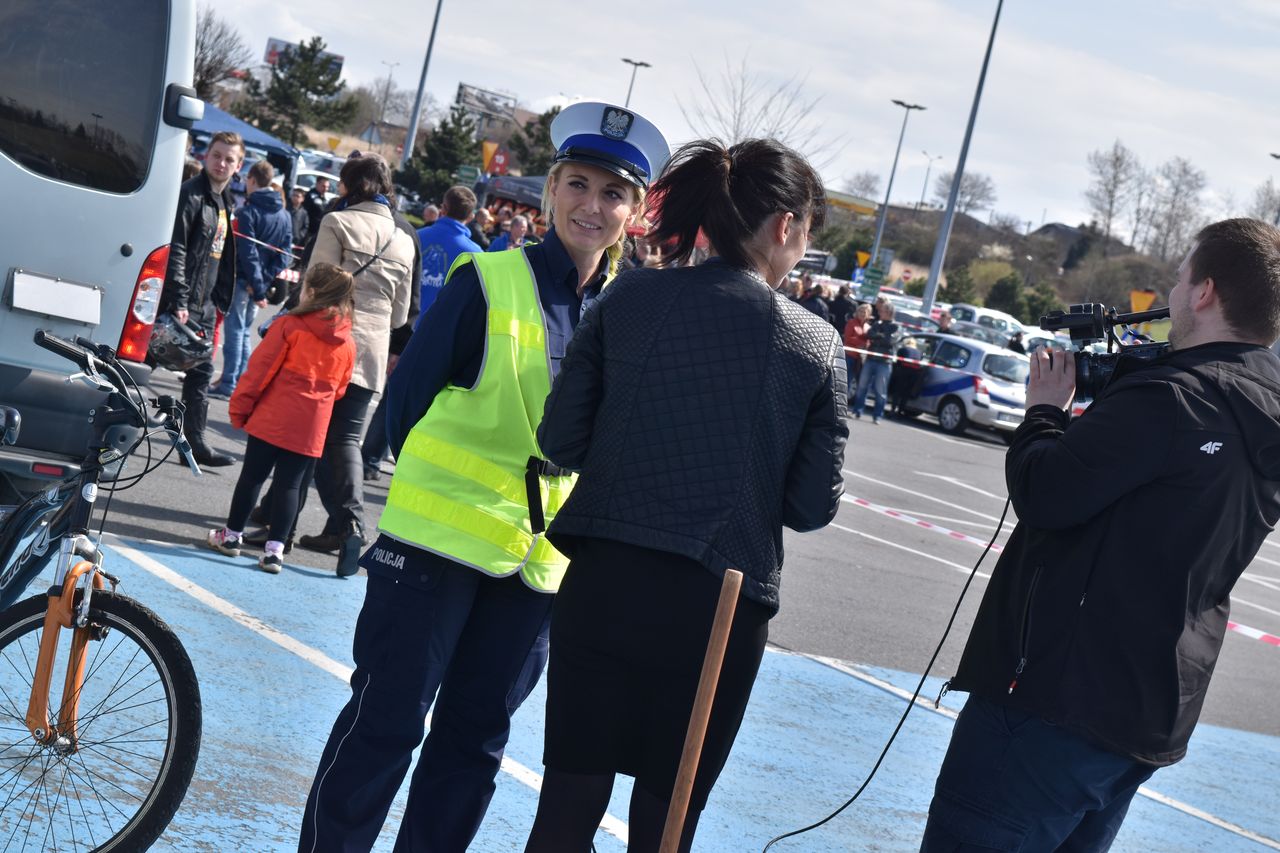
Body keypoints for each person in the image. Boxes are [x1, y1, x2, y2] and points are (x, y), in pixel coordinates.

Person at [296, 101, 670, 852]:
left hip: (534, 567)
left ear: (635, 211)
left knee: (473, 746)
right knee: (385, 726)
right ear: (550, 190)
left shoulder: (630, 313)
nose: (591, 206)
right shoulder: (487, 278)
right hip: (436, 547)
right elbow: (404, 404)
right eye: (578, 184)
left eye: (612, 193)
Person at [524, 138, 848, 853]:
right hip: (718, 602)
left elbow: (560, 440)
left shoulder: (629, 295)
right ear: (786, 227)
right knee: (667, 825)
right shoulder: (813, 343)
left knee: (567, 802)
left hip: (604, 575)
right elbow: (809, 505)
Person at [921, 218, 1280, 852]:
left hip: (1052, 704)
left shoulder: (1170, 399)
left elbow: (1045, 493)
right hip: (1148, 710)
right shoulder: (1265, 411)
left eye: (1178, 278)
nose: (1169, 295)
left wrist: (1043, 413)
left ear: (1204, 292)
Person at [293, 154, 416, 575]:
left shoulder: (337, 223)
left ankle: (346, 522)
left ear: (348, 186)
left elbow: (315, 289)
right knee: (346, 440)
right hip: (372, 351)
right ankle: (341, 526)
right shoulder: (403, 240)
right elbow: (401, 316)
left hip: (329, 344)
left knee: (308, 437)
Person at [205, 263, 356, 572]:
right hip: (311, 425)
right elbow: (340, 389)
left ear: (311, 291)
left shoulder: (290, 326)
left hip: (274, 416)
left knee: (252, 477)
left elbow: (259, 372)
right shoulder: (348, 343)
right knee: (290, 486)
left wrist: (240, 407)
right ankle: (275, 551)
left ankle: (232, 536)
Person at [159, 129, 242, 467]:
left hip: (206, 304)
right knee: (145, 363)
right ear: (207, 156)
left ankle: (194, 444)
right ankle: (108, 430)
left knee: (201, 373)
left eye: (229, 159)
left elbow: (218, 254)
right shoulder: (191, 195)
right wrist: (178, 299)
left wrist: (218, 300)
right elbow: (177, 248)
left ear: (239, 166)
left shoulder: (225, 202)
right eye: (217, 155)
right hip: (180, 301)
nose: (222, 163)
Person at [211, 159, 293, 400]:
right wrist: (264, 283)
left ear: (253, 180)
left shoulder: (249, 212)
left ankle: (229, 383)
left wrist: (257, 286)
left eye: (247, 179)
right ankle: (239, 382)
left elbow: (248, 252)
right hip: (258, 282)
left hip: (245, 281)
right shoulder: (284, 215)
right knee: (244, 333)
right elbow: (283, 256)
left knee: (236, 333)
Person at [416, 185, 483, 316]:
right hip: (441, 328)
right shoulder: (476, 255)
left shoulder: (415, 236)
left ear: (443, 209)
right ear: (471, 217)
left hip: (402, 324)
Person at [850, 300, 900, 423]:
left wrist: (879, 336)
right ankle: (857, 411)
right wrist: (880, 336)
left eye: (881, 311)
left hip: (884, 362)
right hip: (871, 359)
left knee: (880, 390)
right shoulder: (877, 323)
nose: (879, 312)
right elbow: (870, 335)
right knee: (862, 386)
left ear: (888, 312)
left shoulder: (896, 326)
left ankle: (877, 415)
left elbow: (890, 341)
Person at [842, 302, 873, 400]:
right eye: (860, 311)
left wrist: (866, 344)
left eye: (864, 312)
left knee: (852, 381)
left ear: (868, 314)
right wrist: (861, 343)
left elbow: (869, 341)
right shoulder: (851, 322)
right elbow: (848, 338)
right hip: (848, 355)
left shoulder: (868, 327)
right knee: (844, 381)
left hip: (859, 359)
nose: (862, 313)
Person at [889, 335, 924, 416]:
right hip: (914, 373)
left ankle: (893, 410)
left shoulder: (903, 349)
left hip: (904, 371)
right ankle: (900, 411)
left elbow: (898, 362)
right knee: (905, 393)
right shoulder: (919, 352)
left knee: (897, 391)